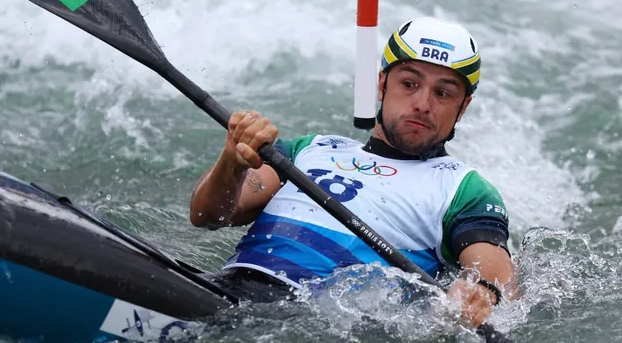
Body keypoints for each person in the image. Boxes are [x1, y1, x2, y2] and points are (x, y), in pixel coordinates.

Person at [189, 16, 517, 328]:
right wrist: (232, 160)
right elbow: (207, 215)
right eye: (409, 83)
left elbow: (493, 268)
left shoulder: (462, 186)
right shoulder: (308, 149)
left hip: (307, 323)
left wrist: (482, 291)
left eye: (443, 93)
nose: (422, 103)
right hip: (223, 292)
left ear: (463, 108)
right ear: (381, 84)